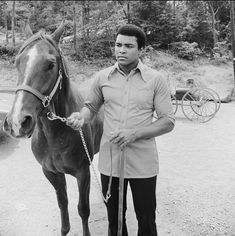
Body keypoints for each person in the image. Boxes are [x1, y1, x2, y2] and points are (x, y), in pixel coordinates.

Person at [66, 24, 175, 236]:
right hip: (111, 161)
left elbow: (167, 121)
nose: (121, 50)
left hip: (143, 163)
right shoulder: (102, 77)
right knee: (114, 222)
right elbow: (91, 107)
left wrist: (134, 133)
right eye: (118, 45)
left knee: (146, 219)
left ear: (141, 49)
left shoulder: (156, 79)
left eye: (128, 46)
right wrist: (82, 116)